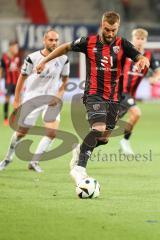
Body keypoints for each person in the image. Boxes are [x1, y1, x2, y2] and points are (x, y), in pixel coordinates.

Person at [36, 11, 150, 184]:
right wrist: (45, 61)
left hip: (113, 97)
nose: (110, 34)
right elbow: (65, 47)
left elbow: (137, 54)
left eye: (114, 30)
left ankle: (80, 150)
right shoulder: (87, 42)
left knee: (103, 138)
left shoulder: (123, 44)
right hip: (93, 94)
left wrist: (142, 60)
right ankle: (80, 169)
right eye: (107, 29)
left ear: (117, 28)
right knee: (98, 128)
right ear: (101, 25)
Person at [0, 29, 70, 172]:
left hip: (50, 100)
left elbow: (65, 81)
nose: (54, 42)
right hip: (32, 98)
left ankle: (34, 162)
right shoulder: (32, 58)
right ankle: (7, 158)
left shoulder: (63, 59)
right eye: (51, 40)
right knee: (21, 132)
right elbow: (22, 78)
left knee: (52, 132)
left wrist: (59, 95)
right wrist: (17, 99)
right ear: (44, 40)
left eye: (56, 40)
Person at [119, 28, 160, 154]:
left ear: (146, 41)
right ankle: (125, 141)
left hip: (131, 95)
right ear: (133, 39)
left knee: (105, 130)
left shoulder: (148, 56)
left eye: (142, 39)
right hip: (119, 92)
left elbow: (158, 71)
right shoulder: (124, 53)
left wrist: (155, 78)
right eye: (137, 38)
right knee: (136, 113)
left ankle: (86, 144)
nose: (140, 41)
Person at [0, 41, 20, 126]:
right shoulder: (4, 57)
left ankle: (15, 118)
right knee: (7, 99)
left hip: (17, 82)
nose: (16, 49)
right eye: (15, 47)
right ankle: (5, 118)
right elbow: (1, 70)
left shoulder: (17, 57)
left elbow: (19, 69)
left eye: (17, 47)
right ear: (11, 47)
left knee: (17, 100)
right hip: (8, 82)